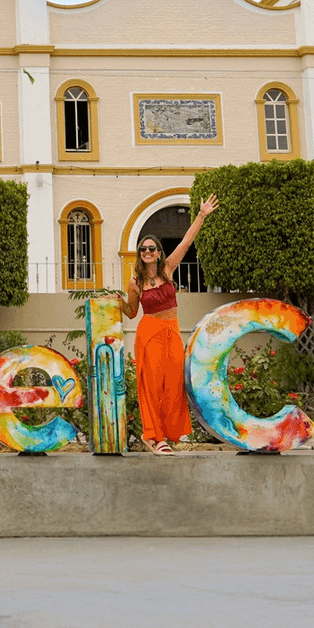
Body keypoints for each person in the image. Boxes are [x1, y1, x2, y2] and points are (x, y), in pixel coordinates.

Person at [119, 194, 219, 454]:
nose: (148, 252)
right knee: (152, 385)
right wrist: (117, 301)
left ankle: (167, 433)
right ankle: (153, 436)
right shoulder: (135, 282)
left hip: (171, 331)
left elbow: (186, 242)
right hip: (149, 332)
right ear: (140, 254)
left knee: (173, 385)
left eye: (152, 248)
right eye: (144, 249)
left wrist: (202, 215)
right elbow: (131, 313)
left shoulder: (168, 269)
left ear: (159, 252)